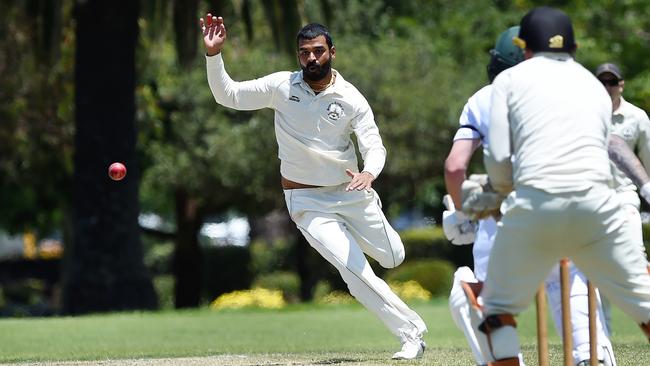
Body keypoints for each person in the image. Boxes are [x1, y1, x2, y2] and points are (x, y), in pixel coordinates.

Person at [199, 14, 427, 360]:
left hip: (353, 193)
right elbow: (228, 95)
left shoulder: (351, 98)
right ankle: (411, 333)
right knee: (353, 270)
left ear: (332, 52)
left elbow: (374, 145)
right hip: (307, 201)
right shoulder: (281, 87)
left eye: (318, 51)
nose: (311, 58)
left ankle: (379, 253)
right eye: (304, 53)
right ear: (298, 56)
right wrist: (214, 56)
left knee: (393, 257)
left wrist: (370, 173)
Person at [469, 7, 650, 365]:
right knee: (644, 304)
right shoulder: (595, 87)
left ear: (525, 48)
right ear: (575, 46)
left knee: (495, 307)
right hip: (600, 209)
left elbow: (501, 158)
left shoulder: (509, 81)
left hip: (536, 205)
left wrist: (495, 193)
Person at [444, 26, 614, 366]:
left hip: (509, 225)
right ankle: (593, 358)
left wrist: (464, 214)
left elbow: (454, 167)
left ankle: (505, 357)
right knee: (573, 295)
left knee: (471, 292)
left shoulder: (484, 98)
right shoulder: (582, 92)